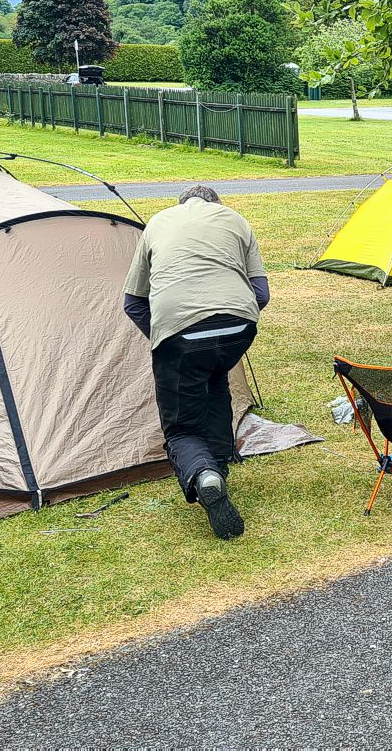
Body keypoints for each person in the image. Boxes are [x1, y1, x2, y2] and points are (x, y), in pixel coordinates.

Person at [123, 185, 269, 540]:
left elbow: (133, 302)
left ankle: (205, 475)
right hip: (239, 326)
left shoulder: (157, 222)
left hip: (181, 332)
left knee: (182, 427)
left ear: (182, 204)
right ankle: (219, 463)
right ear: (216, 205)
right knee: (215, 378)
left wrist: (168, 341)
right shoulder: (236, 220)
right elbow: (261, 294)